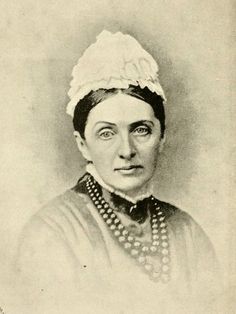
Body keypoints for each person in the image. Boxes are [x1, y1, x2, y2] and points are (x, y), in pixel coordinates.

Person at [16, 30, 221, 313]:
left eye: (141, 130)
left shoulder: (187, 233)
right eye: (106, 133)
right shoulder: (51, 233)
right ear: (83, 144)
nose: (127, 150)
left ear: (162, 137)